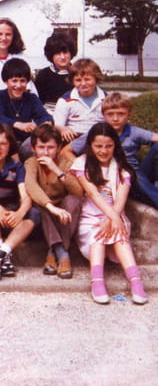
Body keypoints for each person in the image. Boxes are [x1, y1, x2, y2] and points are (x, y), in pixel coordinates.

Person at [71, 123, 148, 305]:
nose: (103, 151)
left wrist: (111, 219)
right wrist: (110, 218)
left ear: (115, 146)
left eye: (108, 146)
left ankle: (136, 281)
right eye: (98, 146)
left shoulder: (122, 169)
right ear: (90, 145)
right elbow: (93, 193)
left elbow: (120, 199)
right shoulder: (82, 164)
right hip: (89, 218)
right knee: (98, 237)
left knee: (120, 237)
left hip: (115, 216)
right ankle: (97, 281)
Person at [62, 92, 158, 209]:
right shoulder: (97, 133)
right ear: (103, 115)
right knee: (134, 175)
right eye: (110, 114)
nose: (115, 118)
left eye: (121, 114)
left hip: (135, 175)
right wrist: (84, 165)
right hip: (114, 176)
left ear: (129, 113)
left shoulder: (134, 132)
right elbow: (65, 151)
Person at [0, 124, 39, 280]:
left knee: (34, 213)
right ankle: (1, 251)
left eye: (3, 143)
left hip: (11, 217)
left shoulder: (17, 166)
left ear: (10, 145)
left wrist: (20, 213)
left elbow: (25, 195)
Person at [24, 124, 83, 279]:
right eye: (41, 147)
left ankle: (52, 252)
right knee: (38, 204)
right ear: (33, 148)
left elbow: (78, 192)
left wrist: (57, 170)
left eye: (50, 147)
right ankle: (63, 254)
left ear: (58, 148)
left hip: (63, 211)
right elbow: (31, 185)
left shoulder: (66, 163)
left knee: (73, 200)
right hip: (45, 210)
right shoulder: (31, 162)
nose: (45, 152)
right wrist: (50, 206)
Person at [0, 58, 52, 157]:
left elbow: (44, 116)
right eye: (14, 81)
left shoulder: (31, 98)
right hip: (3, 142)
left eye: (22, 81)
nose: (18, 86)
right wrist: (19, 125)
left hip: (25, 143)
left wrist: (45, 123)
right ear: (6, 81)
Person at [53, 58, 107, 142]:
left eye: (87, 79)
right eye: (78, 80)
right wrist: (63, 129)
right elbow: (57, 124)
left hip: (99, 140)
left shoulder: (106, 99)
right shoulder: (66, 100)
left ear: (96, 79)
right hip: (74, 139)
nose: (83, 83)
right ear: (72, 81)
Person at [34, 33, 75, 114]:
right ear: (51, 55)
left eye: (65, 52)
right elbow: (38, 102)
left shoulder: (77, 74)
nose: (62, 57)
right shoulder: (43, 75)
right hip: (49, 115)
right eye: (58, 53)